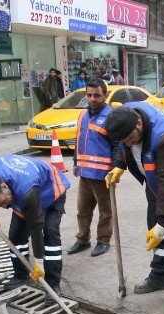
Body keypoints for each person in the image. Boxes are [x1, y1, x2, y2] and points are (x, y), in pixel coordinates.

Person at [104, 101, 164, 314]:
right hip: (155, 182)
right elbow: (124, 146)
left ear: (139, 123)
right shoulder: (126, 117)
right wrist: (119, 166)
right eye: (124, 141)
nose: (129, 144)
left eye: (131, 139)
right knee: (157, 233)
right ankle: (159, 276)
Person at [0, 155, 70, 298]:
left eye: (2, 202)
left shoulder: (26, 190)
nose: (5, 207)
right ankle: (21, 275)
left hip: (52, 191)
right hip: (23, 193)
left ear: (4, 186)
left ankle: (52, 284)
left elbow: (36, 227)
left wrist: (38, 261)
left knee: (50, 236)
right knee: (16, 236)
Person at [66, 78, 117, 258]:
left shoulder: (111, 116)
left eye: (97, 95)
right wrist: (75, 162)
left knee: (105, 211)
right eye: (89, 95)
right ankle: (82, 240)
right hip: (84, 174)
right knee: (83, 210)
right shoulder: (82, 115)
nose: (93, 99)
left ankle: (103, 241)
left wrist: (116, 168)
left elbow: (117, 146)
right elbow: (79, 140)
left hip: (103, 175)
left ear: (106, 95)